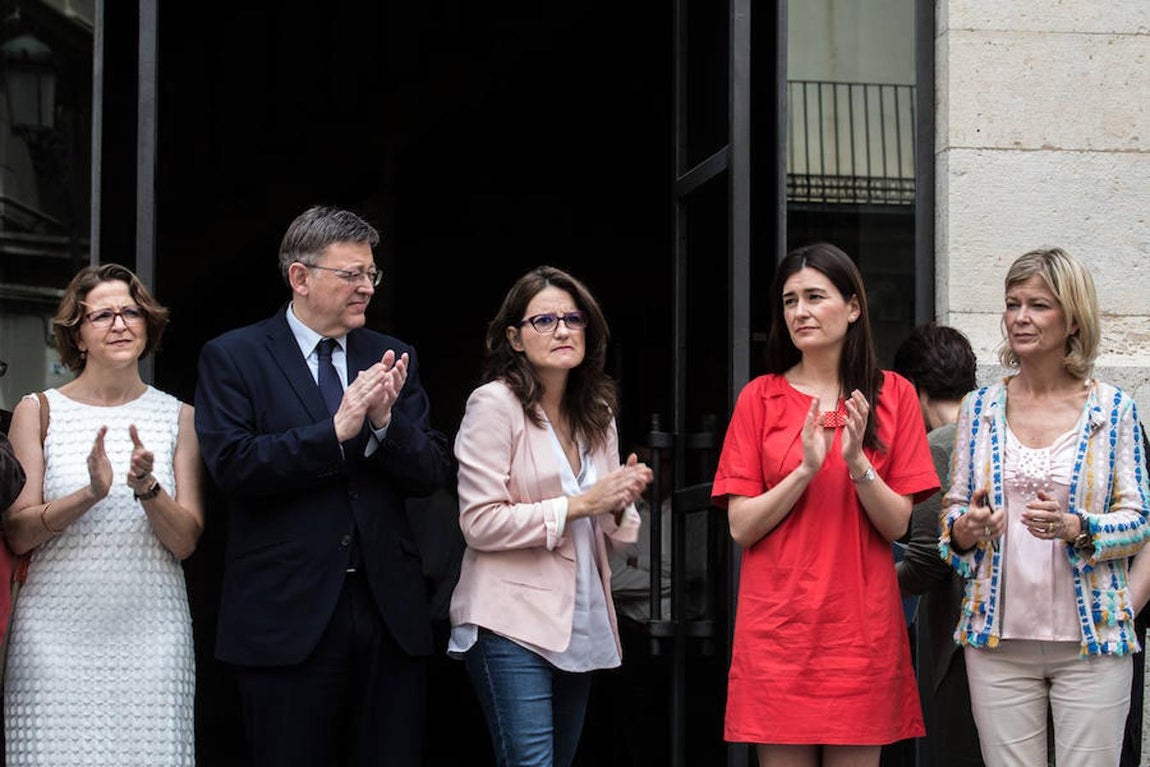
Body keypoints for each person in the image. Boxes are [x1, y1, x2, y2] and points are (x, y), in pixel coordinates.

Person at [194, 206, 452, 766]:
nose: (366, 287)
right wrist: (333, 432)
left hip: (388, 613)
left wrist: (385, 424)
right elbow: (233, 466)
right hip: (287, 615)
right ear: (300, 277)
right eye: (351, 274)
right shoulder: (235, 356)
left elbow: (431, 472)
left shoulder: (392, 356)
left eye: (370, 274)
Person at [711, 242, 938, 766]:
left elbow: (898, 524)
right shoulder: (759, 397)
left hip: (858, 632)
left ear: (853, 306)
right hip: (778, 632)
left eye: (815, 296)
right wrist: (805, 470)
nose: (800, 312)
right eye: (789, 301)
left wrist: (857, 462)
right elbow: (741, 526)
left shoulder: (894, 395)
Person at [940, 247, 1150, 767]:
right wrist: (968, 526)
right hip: (996, 641)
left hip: (1092, 641)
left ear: (1073, 317)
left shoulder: (1113, 410)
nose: (1020, 318)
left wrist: (1077, 526)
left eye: (1038, 305)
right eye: (1012, 304)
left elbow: (1139, 520)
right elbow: (952, 515)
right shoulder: (980, 408)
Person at [448, 265, 651, 767]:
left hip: (578, 619)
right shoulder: (494, 405)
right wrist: (582, 503)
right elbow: (480, 522)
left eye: (573, 318)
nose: (562, 330)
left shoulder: (597, 410)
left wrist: (622, 498)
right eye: (544, 321)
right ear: (514, 338)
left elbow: (611, 533)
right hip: (509, 622)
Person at [2, 263, 203, 765]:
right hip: (52, 637)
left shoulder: (179, 417)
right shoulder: (38, 410)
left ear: (147, 324)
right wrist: (89, 494)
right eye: (103, 315)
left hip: (153, 637)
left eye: (131, 311)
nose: (119, 323)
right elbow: (17, 532)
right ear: (78, 334)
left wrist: (147, 488)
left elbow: (186, 542)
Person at [891, 322, 983, 767]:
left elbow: (928, 560)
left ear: (914, 389)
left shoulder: (941, 443)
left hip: (964, 645)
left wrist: (866, 585)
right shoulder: (995, 424)